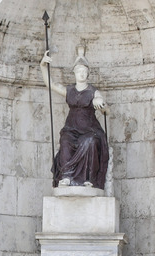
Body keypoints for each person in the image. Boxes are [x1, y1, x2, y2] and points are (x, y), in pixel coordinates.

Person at [40, 46, 110, 189]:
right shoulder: (69, 90)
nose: (82, 74)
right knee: (65, 141)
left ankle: (88, 178)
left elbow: (106, 110)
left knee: (89, 142)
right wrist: (43, 66)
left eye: (84, 71)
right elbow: (50, 85)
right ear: (74, 73)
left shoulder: (92, 91)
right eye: (79, 71)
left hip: (89, 130)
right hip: (71, 129)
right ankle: (66, 176)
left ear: (88, 73)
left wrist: (101, 103)